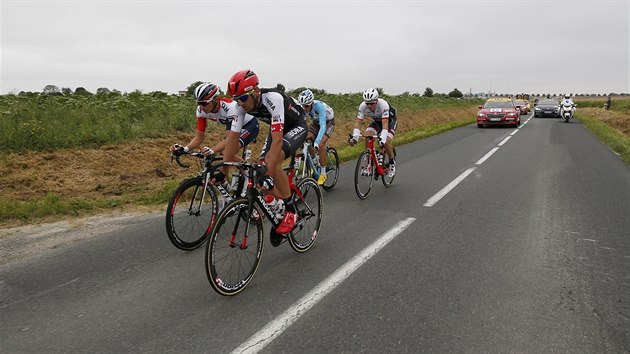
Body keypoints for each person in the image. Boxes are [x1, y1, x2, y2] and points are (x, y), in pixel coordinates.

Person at [224, 69, 307, 236]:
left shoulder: (273, 99)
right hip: (277, 129)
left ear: (255, 91)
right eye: (236, 100)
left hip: (296, 126)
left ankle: (291, 209)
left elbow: (277, 141)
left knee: (272, 163)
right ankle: (280, 204)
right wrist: (223, 167)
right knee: (262, 170)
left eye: (243, 98)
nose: (241, 104)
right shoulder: (241, 108)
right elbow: (232, 140)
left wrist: (269, 173)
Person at [170, 83, 259, 164]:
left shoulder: (230, 107)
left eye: (204, 103)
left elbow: (229, 140)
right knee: (223, 159)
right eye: (198, 103)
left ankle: (248, 173)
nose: (201, 107)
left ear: (215, 100)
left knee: (226, 152)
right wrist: (185, 149)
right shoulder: (201, 111)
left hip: (249, 125)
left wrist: (211, 150)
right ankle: (224, 181)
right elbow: (199, 137)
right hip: (234, 127)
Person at [349, 88, 397, 178]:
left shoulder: (383, 105)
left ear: (376, 101)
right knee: (367, 136)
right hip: (377, 122)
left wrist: (382, 139)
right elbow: (358, 122)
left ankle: (391, 163)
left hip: (389, 122)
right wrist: (355, 137)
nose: (369, 106)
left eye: (371, 103)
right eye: (367, 103)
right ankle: (369, 161)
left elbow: (385, 125)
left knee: (386, 142)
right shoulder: (362, 106)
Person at [297, 89, 335, 185]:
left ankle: (323, 173)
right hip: (315, 122)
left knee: (321, 145)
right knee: (307, 141)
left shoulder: (319, 107)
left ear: (311, 103)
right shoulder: (302, 108)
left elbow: (323, 126)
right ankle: (315, 160)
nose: (304, 108)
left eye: (306, 106)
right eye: (302, 106)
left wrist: (317, 142)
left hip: (327, 122)